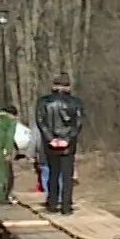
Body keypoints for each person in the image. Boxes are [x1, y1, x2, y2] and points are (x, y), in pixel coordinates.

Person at [34, 74, 84, 214]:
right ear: (68, 86)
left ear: (54, 86)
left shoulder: (43, 102)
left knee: (53, 173)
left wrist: (50, 138)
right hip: (68, 145)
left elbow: (40, 121)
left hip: (50, 144)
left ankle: (52, 203)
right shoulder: (75, 102)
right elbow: (78, 123)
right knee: (67, 176)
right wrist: (67, 139)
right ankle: (66, 207)